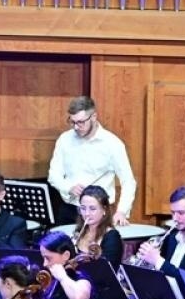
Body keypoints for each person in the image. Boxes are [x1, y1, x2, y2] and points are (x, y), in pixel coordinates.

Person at [47, 95, 137, 224]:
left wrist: (122, 211)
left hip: (99, 212)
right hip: (69, 209)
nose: (76, 127)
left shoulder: (112, 144)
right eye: (72, 122)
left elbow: (128, 181)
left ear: (94, 117)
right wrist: (69, 187)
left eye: (81, 122)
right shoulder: (64, 139)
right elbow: (53, 175)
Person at [70, 185, 126, 299]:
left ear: (104, 210)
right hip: (80, 290)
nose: (87, 214)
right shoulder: (78, 233)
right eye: (83, 208)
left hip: (101, 298)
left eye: (93, 209)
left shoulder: (112, 237)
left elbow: (105, 274)